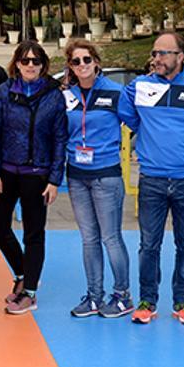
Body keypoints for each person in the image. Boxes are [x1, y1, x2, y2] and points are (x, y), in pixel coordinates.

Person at [118, 32, 184, 326]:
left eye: (163, 53)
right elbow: (126, 112)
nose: (156, 58)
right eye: (154, 52)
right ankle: (148, 300)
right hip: (152, 180)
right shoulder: (140, 85)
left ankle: (183, 300)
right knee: (148, 245)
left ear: (180, 57)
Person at [0, 40, 67, 315]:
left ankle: (30, 292)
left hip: (37, 174)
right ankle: (24, 272)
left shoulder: (53, 96)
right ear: (16, 64)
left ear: (43, 65)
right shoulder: (4, 91)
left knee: (34, 233)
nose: (30, 65)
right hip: (6, 172)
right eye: (25, 60)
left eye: (35, 61)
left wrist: (55, 179)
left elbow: (59, 139)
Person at [61, 38, 132, 318]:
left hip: (106, 176)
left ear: (96, 62)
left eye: (86, 60)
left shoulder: (116, 92)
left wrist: (110, 146)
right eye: (76, 61)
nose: (82, 65)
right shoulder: (67, 96)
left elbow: (134, 121)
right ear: (70, 66)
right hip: (77, 176)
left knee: (110, 237)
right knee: (89, 238)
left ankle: (123, 295)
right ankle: (94, 296)